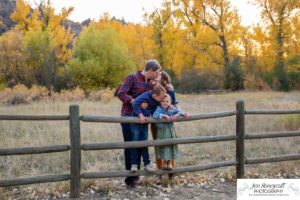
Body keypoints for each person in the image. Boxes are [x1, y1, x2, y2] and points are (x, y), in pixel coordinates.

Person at [117, 59, 161, 188]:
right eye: (156, 72)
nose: (157, 74)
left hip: (142, 119)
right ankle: (130, 180)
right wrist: (134, 101)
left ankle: (137, 176)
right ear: (151, 70)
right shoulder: (132, 78)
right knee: (130, 146)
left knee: (141, 144)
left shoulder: (151, 84)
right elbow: (121, 93)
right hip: (128, 117)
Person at [130, 85, 167, 173]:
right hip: (136, 122)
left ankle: (147, 164)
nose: (162, 100)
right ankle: (134, 164)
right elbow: (135, 103)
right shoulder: (145, 96)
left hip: (145, 124)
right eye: (161, 98)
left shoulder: (157, 101)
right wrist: (141, 115)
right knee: (135, 143)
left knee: (145, 143)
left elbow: (161, 107)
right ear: (154, 95)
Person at [151, 71, 178, 172]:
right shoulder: (152, 87)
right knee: (158, 145)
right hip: (155, 120)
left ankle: (170, 170)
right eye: (156, 74)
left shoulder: (169, 90)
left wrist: (180, 113)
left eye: (158, 75)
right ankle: (160, 170)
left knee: (170, 143)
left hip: (167, 122)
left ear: (163, 79)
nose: (156, 76)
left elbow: (174, 104)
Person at [153, 94, 190, 169]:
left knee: (170, 145)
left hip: (170, 130)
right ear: (160, 102)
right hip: (161, 131)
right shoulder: (159, 108)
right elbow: (155, 115)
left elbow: (180, 111)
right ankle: (164, 162)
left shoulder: (172, 108)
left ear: (170, 102)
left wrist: (177, 115)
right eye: (163, 101)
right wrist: (163, 115)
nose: (165, 103)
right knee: (162, 145)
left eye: (167, 101)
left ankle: (169, 162)